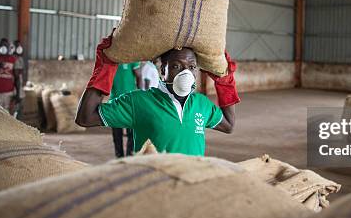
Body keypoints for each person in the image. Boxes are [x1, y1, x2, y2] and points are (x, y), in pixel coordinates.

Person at [75, 33, 237, 155]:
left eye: (192, 66)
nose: (186, 73)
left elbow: (228, 125)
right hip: (154, 191)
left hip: (191, 188)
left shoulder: (202, 104)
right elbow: (85, 117)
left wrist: (225, 82)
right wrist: (105, 65)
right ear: (162, 71)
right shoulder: (138, 101)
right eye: (176, 66)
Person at [109, 62, 143, 158]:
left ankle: (129, 155)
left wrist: (140, 95)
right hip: (114, 101)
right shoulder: (111, 60)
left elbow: (139, 76)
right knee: (116, 133)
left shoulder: (132, 59)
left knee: (131, 132)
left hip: (130, 101)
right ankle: (119, 156)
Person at [10, 39, 26, 118]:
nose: (19, 48)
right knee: (15, 108)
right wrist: (18, 93)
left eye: (20, 46)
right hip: (15, 87)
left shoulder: (20, 59)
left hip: (18, 86)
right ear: (12, 48)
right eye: (17, 46)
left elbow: (21, 73)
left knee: (19, 108)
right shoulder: (13, 59)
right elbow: (16, 76)